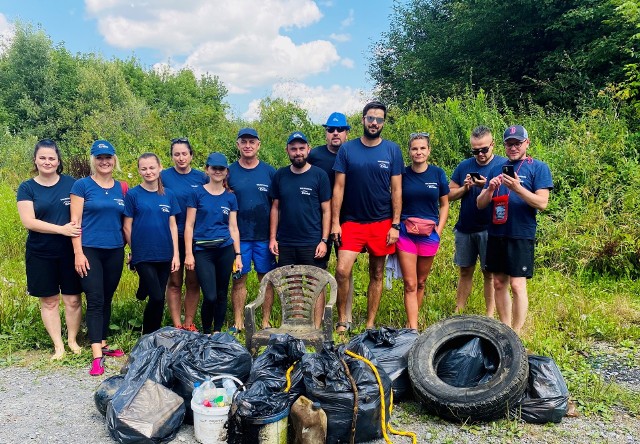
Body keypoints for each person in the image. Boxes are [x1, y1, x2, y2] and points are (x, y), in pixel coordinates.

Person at [331, 101, 404, 332]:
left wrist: (395, 224)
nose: (374, 123)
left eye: (379, 119)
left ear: (383, 122)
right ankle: (343, 320)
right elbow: (338, 188)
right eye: (371, 118)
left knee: (377, 272)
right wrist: (335, 222)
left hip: (381, 222)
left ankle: (370, 323)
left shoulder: (392, 150)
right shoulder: (347, 149)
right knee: (342, 270)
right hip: (351, 222)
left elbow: (397, 190)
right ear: (363, 120)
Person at [477, 125, 553, 334]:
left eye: (517, 143)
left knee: (518, 285)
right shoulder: (496, 168)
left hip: (521, 232)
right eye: (509, 144)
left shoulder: (538, 167)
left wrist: (517, 188)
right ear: (504, 145)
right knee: (499, 283)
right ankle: (506, 329)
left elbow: (542, 202)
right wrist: (490, 189)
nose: (513, 148)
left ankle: (517, 334)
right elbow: (480, 204)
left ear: (527, 143)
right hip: (497, 232)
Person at [16, 139, 83, 360]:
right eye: (42, 157)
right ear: (35, 160)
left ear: (58, 160)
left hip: (69, 252)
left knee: (72, 299)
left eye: (51, 158)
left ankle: (72, 340)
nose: (47, 162)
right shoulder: (27, 187)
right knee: (49, 300)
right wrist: (61, 229)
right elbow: (29, 221)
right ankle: (58, 346)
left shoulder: (71, 184)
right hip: (40, 252)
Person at [70, 140, 126, 376]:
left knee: (107, 297)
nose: (104, 162)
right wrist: (78, 252)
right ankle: (96, 356)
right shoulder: (82, 185)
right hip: (90, 249)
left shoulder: (122, 188)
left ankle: (102, 343)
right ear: (93, 160)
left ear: (114, 160)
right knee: (94, 298)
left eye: (108, 157)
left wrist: (132, 250)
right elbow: (75, 223)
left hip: (115, 249)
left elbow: (126, 223)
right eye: (99, 158)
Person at [269, 131, 332, 327]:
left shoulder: (319, 175)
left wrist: (324, 240)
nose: (298, 152)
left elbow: (326, 210)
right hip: (286, 241)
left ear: (308, 149)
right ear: (287, 150)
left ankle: (316, 327)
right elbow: (275, 208)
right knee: (293, 284)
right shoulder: (280, 175)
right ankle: (297, 326)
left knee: (316, 284)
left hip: (312, 242)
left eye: (301, 148)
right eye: (294, 149)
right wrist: (273, 238)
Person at [448, 126, 506, 316]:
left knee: (489, 273)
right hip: (466, 226)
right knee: (465, 270)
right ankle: (459, 309)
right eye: (475, 150)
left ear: (493, 145)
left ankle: (489, 314)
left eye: (484, 149)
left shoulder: (502, 165)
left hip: (491, 228)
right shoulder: (464, 166)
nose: (480, 154)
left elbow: (510, 194)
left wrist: (487, 185)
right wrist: (465, 188)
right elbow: (449, 194)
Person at [184, 153, 242, 334]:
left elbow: (233, 227)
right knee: (209, 295)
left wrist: (238, 254)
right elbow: (189, 225)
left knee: (222, 293)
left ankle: (217, 332)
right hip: (203, 250)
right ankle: (206, 331)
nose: (217, 171)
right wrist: (188, 253)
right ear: (207, 169)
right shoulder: (197, 193)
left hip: (225, 249)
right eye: (214, 168)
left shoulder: (230, 197)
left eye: (221, 168)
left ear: (226, 172)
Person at [396, 133, 450, 329]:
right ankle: (412, 328)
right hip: (406, 233)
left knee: (420, 282)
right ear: (409, 151)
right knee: (410, 283)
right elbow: (395, 200)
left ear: (428, 151)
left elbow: (444, 204)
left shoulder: (437, 173)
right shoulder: (402, 174)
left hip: (429, 235)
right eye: (414, 148)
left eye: (422, 148)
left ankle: (413, 321)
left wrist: (439, 229)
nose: (418, 152)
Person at [123, 153, 180, 335]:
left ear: (160, 168)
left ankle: (155, 335)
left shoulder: (169, 195)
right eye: (144, 168)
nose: (148, 172)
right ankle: (147, 336)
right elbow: (127, 226)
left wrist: (176, 255)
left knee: (159, 297)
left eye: (152, 167)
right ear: (139, 171)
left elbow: (173, 225)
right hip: (143, 254)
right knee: (155, 296)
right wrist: (134, 250)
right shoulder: (133, 195)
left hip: (164, 253)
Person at [308, 112, 355, 322]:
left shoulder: (354, 153)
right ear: (326, 133)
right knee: (319, 267)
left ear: (347, 132)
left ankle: (344, 318)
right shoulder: (315, 155)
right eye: (331, 130)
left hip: (348, 218)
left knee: (345, 269)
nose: (335, 133)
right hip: (319, 220)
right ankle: (318, 318)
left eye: (340, 130)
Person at [228, 128, 276, 332]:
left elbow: (276, 205)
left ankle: (265, 322)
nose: (248, 145)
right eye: (244, 142)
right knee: (239, 280)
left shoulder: (270, 172)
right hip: (239, 238)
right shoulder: (229, 172)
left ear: (258, 145)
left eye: (252, 142)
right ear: (238, 145)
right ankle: (238, 322)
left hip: (264, 237)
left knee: (266, 280)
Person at [160, 138, 208, 331]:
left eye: (184, 154)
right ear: (172, 156)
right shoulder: (163, 176)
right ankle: (177, 324)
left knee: (193, 281)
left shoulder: (201, 178)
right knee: (174, 281)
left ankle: (189, 323)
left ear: (191, 155)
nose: (181, 158)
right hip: (170, 236)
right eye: (176, 154)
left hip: (196, 237)